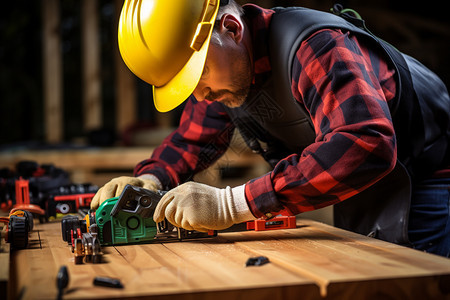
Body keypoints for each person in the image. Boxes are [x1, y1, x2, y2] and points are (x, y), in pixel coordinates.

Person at [91, 0, 450, 257]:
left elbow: (364, 143)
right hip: (371, 186)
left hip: (429, 174)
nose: (198, 94)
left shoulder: (318, 46)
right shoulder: (230, 74)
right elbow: (190, 141)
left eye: (197, 75)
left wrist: (232, 203)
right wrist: (150, 179)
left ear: (231, 28)